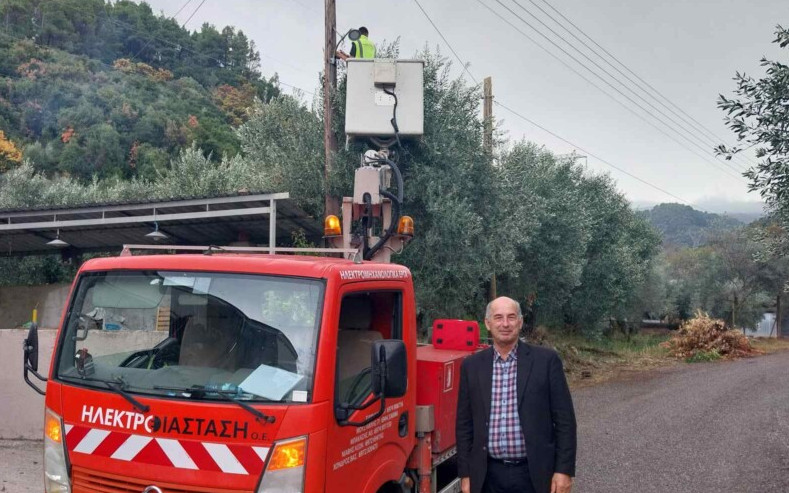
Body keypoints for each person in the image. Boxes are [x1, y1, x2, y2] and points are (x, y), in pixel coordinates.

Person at [456, 296, 577, 493]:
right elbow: (464, 425)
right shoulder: (472, 366)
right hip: (487, 476)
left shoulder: (546, 361)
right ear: (488, 323)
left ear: (520, 322)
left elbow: (565, 421)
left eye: (511, 317)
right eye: (498, 317)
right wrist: (466, 474)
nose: (505, 324)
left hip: (534, 474)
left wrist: (563, 470)